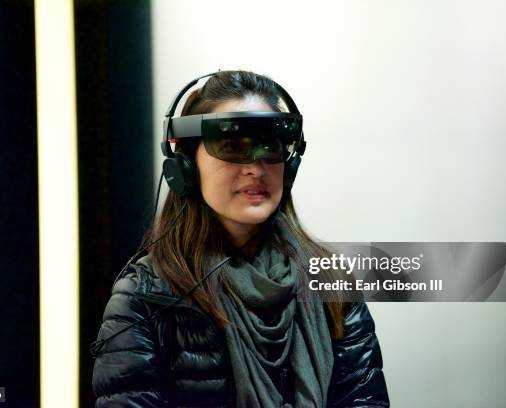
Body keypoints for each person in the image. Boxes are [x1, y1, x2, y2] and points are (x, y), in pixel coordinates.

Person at [91, 70, 389, 407]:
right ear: (186, 164)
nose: (255, 167)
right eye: (232, 146)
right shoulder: (145, 296)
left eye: (270, 145)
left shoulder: (332, 281)